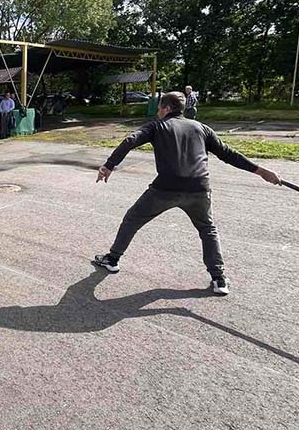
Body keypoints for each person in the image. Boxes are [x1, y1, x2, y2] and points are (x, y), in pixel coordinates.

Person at [92, 91, 281, 296]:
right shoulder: (201, 128)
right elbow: (228, 154)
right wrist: (261, 171)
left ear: (166, 108)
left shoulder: (157, 126)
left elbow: (130, 140)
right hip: (198, 189)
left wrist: (109, 165)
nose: (158, 112)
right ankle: (218, 278)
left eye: (159, 108)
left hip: (165, 189)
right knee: (207, 229)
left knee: (132, 219)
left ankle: (112, 259)